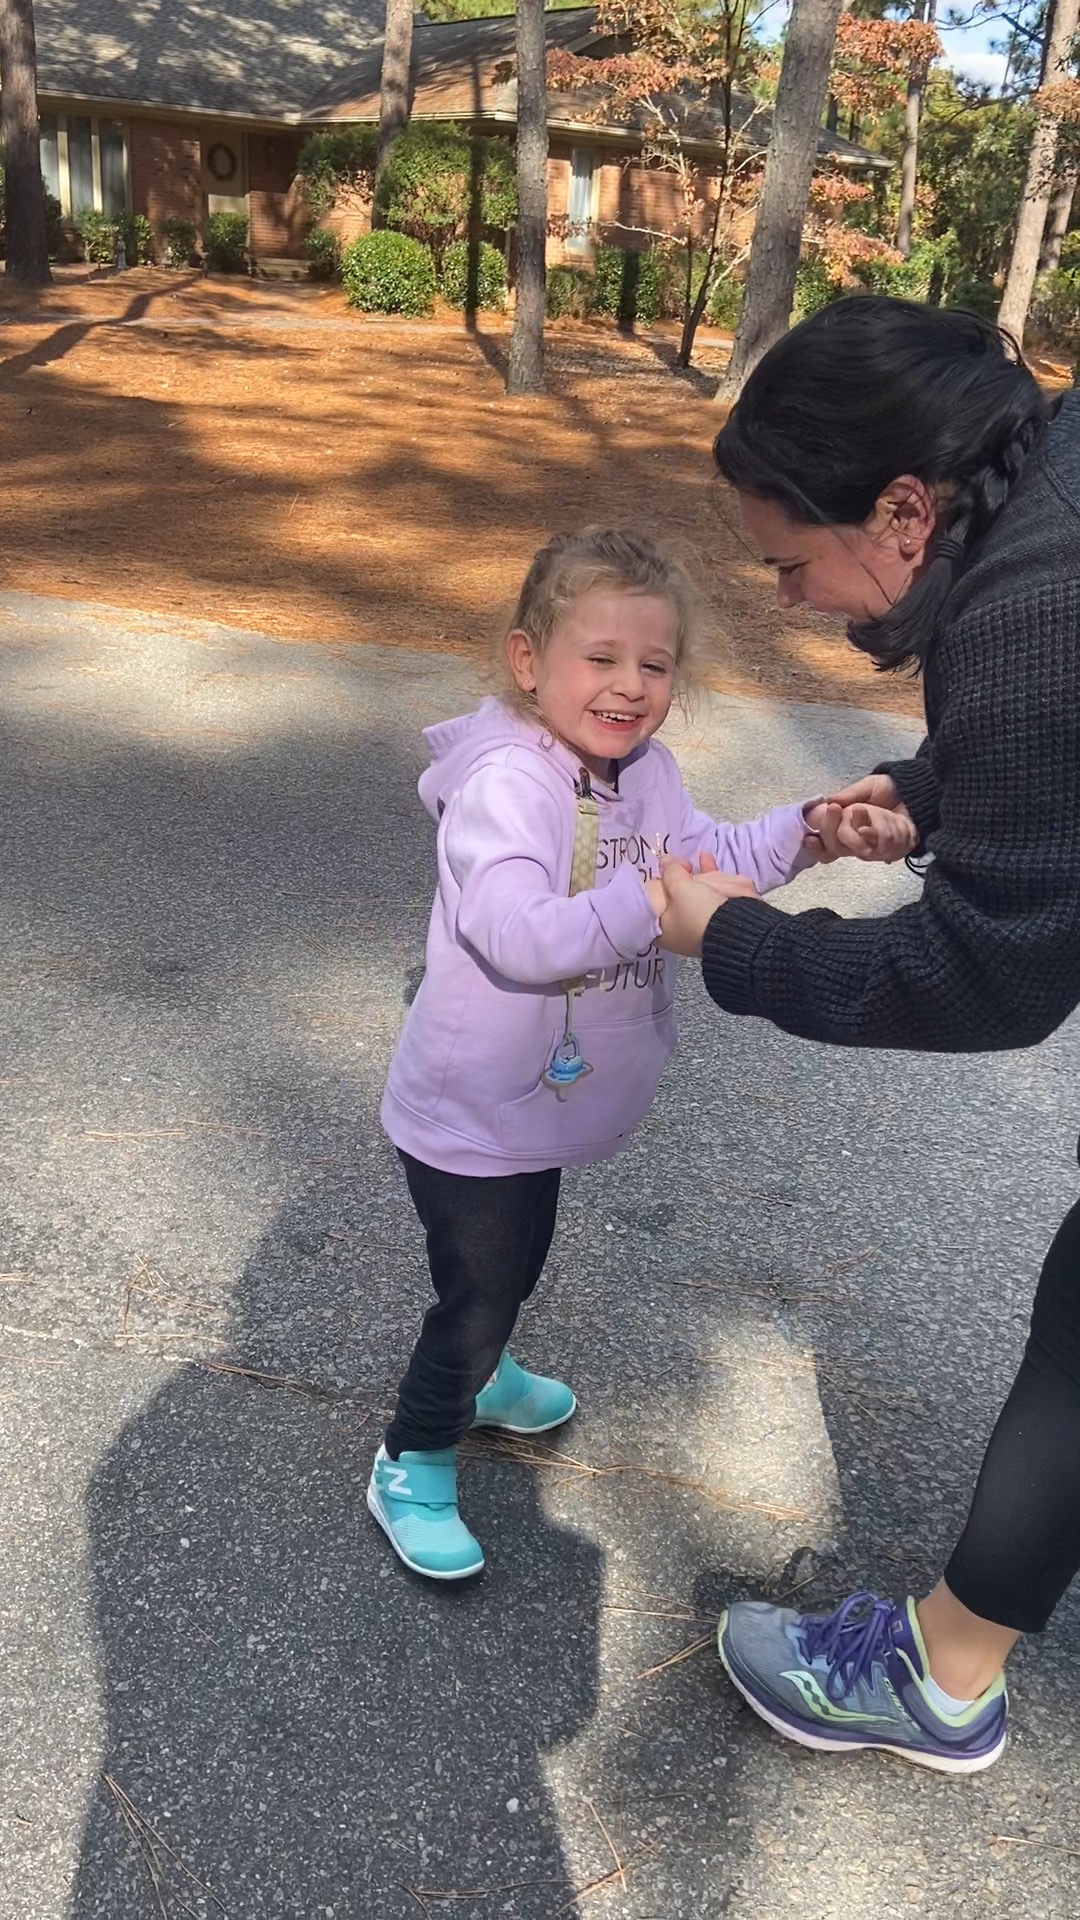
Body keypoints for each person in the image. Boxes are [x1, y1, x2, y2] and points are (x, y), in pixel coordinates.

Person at [653, 295, 1080, 1774]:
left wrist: (740, 943)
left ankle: (942, 1681)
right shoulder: (1052, 472)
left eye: (793, 560)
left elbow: (990, 974)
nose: (789, 598)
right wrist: (936, 792)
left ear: (904, 508)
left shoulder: (1030, 602)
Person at [369, 527, 911, 1581]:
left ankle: (484, 1373)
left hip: (537, 1105)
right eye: (600, 659)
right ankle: (415, 1451)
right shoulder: (505, 787)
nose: (629, 687)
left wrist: (808, 828)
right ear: (529, 663)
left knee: (514, 1259)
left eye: (653, 666)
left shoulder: (641, 772)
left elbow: (709, 856)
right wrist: (649, 900)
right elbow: (516, 932)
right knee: (476, 1290)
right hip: (470, 1108)